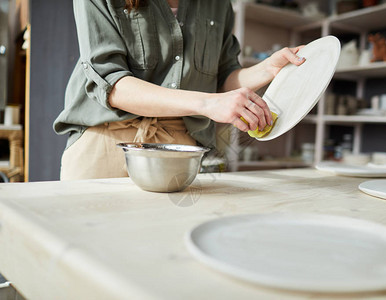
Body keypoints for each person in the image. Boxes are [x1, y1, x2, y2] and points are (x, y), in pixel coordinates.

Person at [54, 0, 305, 180]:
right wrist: (207, 104)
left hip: (178, 150)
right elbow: (114, 86)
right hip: (105, 143)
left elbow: (223, 78)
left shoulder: (219, 5)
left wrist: (268, 69)